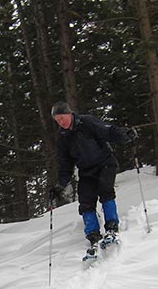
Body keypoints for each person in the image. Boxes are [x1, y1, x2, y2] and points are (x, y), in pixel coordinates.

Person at [48, 101, 136, 257]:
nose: (60, 122)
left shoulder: (86, 122)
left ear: (69, 114)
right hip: (86, 170)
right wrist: (60, 186)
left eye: (61, 118)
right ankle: (93, 235)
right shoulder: (63, 138)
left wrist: (124, 135)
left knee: (105, 190)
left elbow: (107, 131)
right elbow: (65, 164)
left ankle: (111, 227)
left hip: (105, 163)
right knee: (85, 201)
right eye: (57, 120)